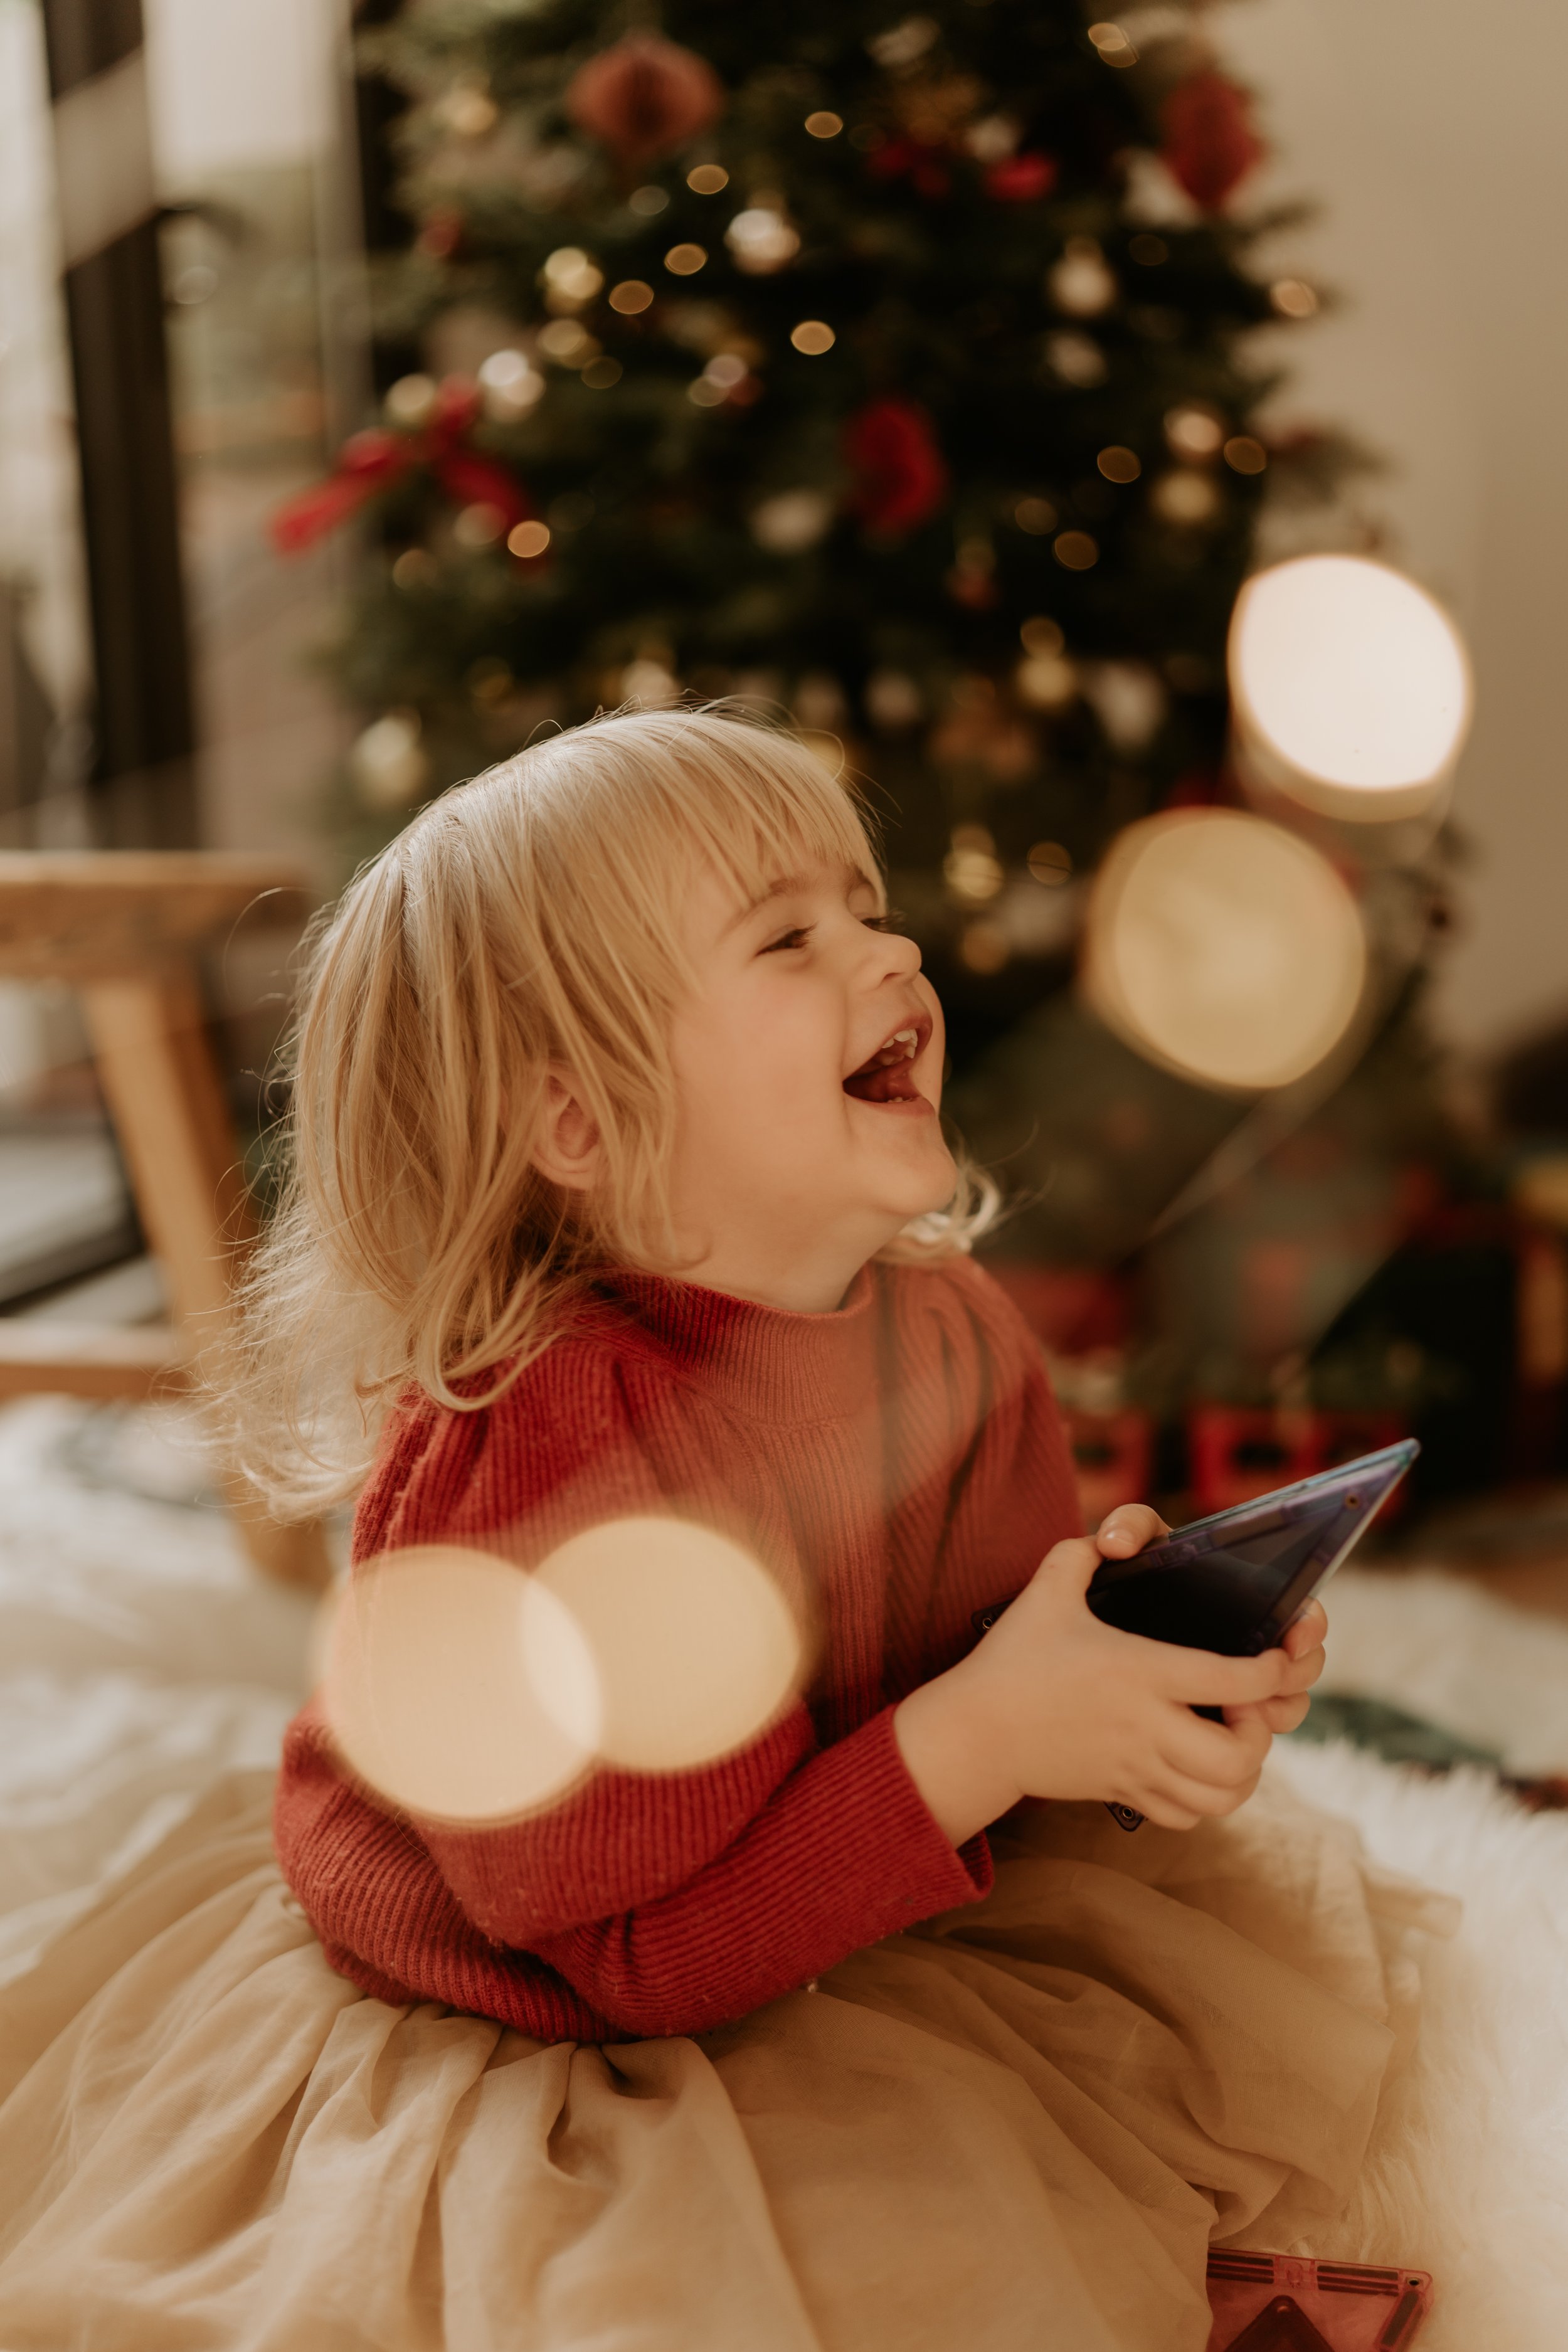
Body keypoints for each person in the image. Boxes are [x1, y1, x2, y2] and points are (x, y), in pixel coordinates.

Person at [0, 709, 1446, 2350]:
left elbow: (978, 1674)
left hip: (814, 1869)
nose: (886, 948)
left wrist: (1125, 1690)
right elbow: (645, 1962)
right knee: (718, 2288)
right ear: (578, 1126)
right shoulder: (546, 1457)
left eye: (865, 903)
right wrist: (990, 1729)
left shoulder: (946, 1327)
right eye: (787, 935)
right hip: (548, 1993)